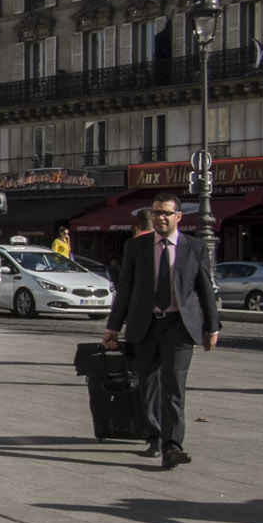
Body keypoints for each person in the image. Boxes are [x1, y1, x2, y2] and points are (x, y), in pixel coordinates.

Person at [103, 192, 220, 469]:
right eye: (156, 213)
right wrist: (112, 327)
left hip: (179, 325)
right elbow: (126, 289)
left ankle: (173, 446)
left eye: (166, 213)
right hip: (145, 325)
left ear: (178, 217)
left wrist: (212, 328)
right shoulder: (137, 247)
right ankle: (154, 436)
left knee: (174, 386)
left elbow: (205, 292)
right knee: (149, 385)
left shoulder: (194, 247)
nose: (160, 218)